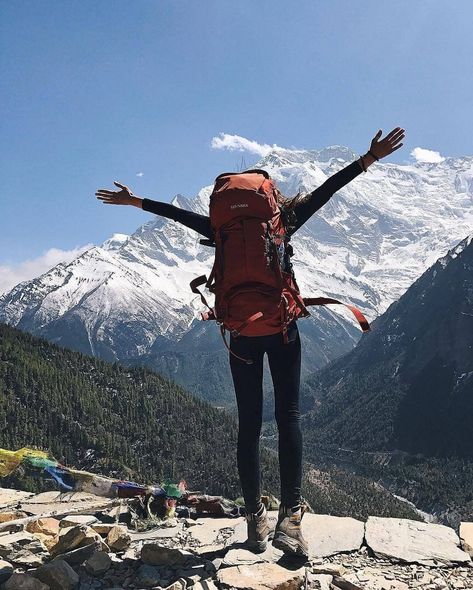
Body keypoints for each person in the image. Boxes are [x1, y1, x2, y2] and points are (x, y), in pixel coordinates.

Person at [95, 127, 405, 557]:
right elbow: (328, 190)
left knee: (248, 426)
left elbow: (175, 216)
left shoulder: (219, 228)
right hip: (281, 330)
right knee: (289, 418)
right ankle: (291, 520)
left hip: (240, 333)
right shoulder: (283, 222)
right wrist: (368, 158)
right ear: (272, 200)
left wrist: (136, 201)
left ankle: (254, 520)